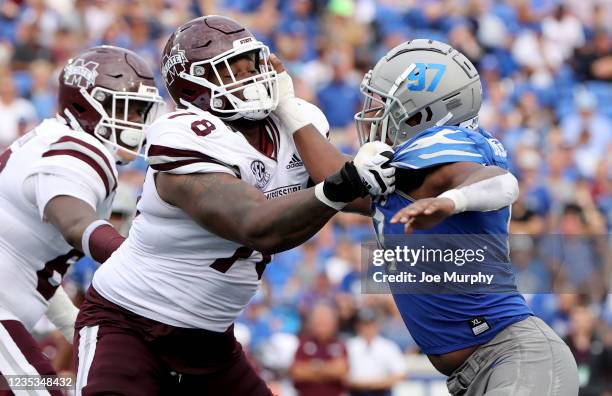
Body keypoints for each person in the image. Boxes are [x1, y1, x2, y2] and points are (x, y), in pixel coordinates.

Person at [73, 15, 394, 396]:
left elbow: (361, 194)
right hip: (130, 323)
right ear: (194, 85)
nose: (254, 79)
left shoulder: (298, 122)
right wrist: (342, 185)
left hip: (210, 340)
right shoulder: (183, 134)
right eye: (232, 71)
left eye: (254, 65)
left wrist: (290, 110)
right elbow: (257, 225)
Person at [283, 39, 579, 395]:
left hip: (514, 355)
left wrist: (451, 202)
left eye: (386, 107)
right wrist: (286, 106)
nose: (374, 116)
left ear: (422, 115)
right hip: (478, 371)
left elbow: (503, 184)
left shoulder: (452, 157)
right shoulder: (402, 180)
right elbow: (332, 178)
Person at [0, 45, 164, 395]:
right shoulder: (78, 152)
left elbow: (31, 268)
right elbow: (75, 222)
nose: (137, 122)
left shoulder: (51, 137)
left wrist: (73, 325)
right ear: (87, 103)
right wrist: (140, 263)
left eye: (141, 112)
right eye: (131, 109)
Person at [290, 303, 348, 396]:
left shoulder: (339, 345)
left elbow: (341, 371)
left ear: (334, 324)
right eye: (318, 322)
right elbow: (297, 372)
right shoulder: (304, 343)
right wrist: (329, 369)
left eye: (325, 323)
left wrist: (314, 367)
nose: (321, 326)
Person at [346, 308, 407, 396]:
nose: (368, 327)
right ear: (358, 326)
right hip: (355, 391)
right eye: (364, 324)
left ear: (377, 325)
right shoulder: (349, 345)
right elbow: (342, 374)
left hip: (381, 392)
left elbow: (400, 374)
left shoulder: (388, 346)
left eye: (370, 323)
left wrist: (375, 384)